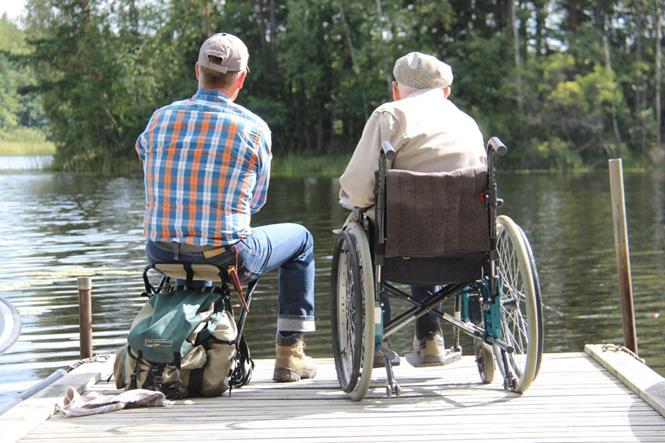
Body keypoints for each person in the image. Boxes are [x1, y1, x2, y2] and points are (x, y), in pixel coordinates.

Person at [135, 33, 316, 383]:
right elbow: (257, 203)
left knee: (200, 251)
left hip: (159, 251)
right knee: (302, 241)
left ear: (197, 71)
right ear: (242, 78)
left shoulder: (160, 118)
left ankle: (186, 350)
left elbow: (143, 153)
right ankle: (290, 354)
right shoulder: (254, 128)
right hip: (225, 256)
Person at [338, 51, 487, 367]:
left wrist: (354, 204)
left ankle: (378, 340)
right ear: (445, 91)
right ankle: (430, 337)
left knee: (379, 221)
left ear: (396, 89)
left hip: (399, 246)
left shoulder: (390, 115)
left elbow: (358, 187)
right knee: (433, 217)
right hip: (464, 248)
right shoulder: (468, 123)